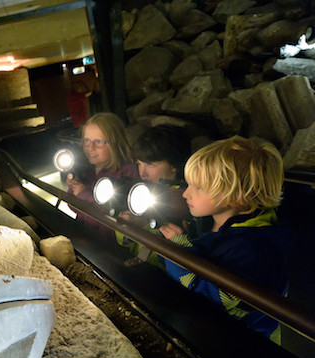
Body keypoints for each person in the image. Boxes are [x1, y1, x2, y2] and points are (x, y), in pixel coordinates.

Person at [159, 136, 289, 344]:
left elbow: (216, 299)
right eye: (189, 184)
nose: (185, 193)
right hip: (214, 334)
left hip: (247, 349)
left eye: (198, 188)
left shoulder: (255, 250)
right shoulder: (212, 222)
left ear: (236, 197)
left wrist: (179, 250)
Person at [116, 125, 193, 267]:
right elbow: (128, 245)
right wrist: (127, 228)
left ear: (174, 164)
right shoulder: (141, 192)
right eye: (139, 164)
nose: (142, 173)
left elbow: (166, 261)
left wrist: (143, 226)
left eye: (150, 164)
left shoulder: (187, 201)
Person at [66, 113, 139, 231]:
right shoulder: (87, 170)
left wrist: (83, 194)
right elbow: (73, 206)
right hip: (84, 235)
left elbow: (111, 216)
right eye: (87, 141)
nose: (90, 148)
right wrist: (73, 187)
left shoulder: (127, 174)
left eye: (98, 142)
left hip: (106, 242)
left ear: (115, 143)